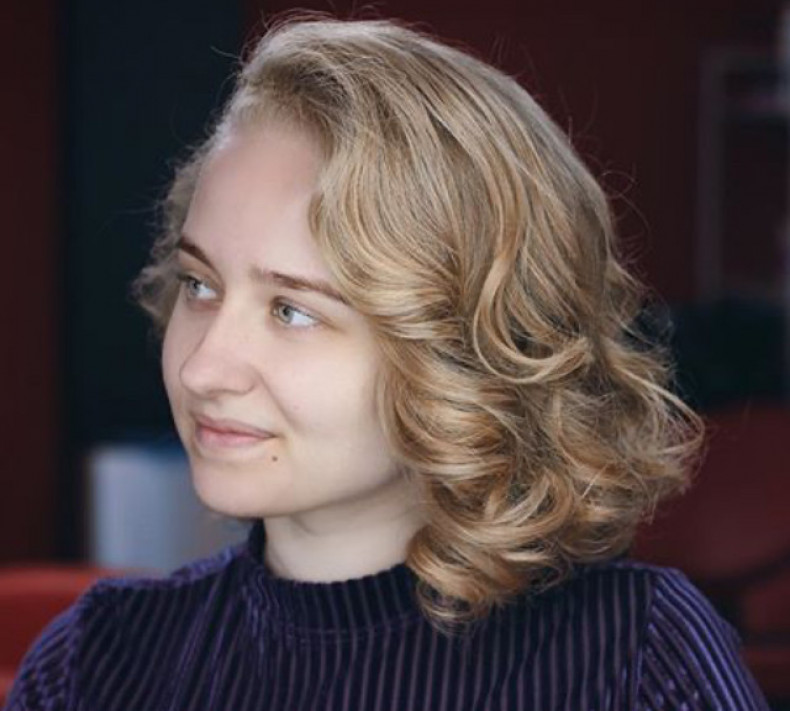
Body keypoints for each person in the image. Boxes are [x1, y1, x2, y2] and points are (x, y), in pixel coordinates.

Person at [6, 15, 769, 711]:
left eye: (292, 310)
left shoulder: (633, 660)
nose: (204, 368)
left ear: (463, 348)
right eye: (201, 285)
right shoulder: (95, 665)